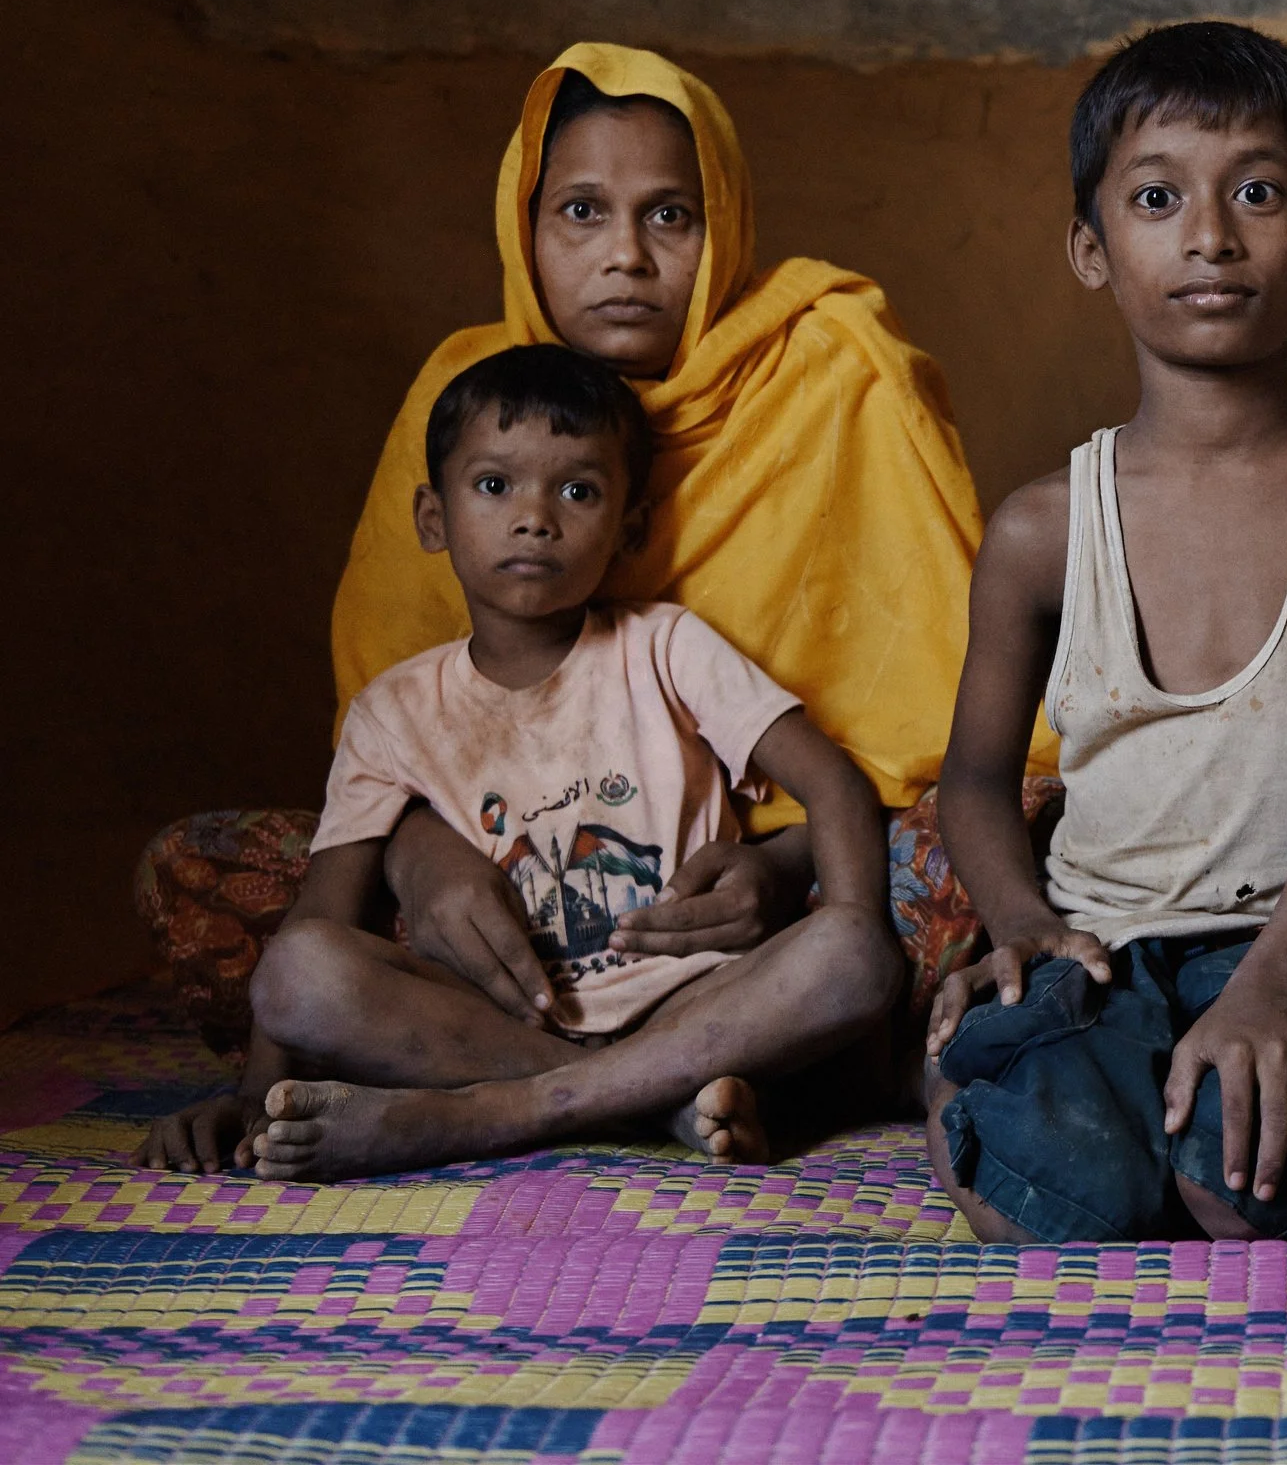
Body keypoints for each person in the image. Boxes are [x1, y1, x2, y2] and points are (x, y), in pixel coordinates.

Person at [139, 44, 1042, 1172]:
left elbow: (921, 744)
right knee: (207, 871)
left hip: (761, 886)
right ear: (524, 228)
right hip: (496, 885)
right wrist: (421, 852)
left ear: (725, 221)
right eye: (579, 211)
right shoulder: (464, 385)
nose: (625, 254)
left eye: (671, 214)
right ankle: (671, 1086)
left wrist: (777, 871)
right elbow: (383, 729)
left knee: (1005, 846)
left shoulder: (827, 363)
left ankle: (492, 1093)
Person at [921, 22, 1287, 1243]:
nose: (1210, 234)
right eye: (1157, 196)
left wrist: (1277, 982)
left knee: (1253, 1194)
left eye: (1257, 192)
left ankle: (1187, 1083)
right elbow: (972, 778)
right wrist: (1018, 927)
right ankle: (960, 1068)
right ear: (1090, 246)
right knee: (1078, 1201)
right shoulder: (1041, 527)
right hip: (1095, 948)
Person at [230, 345, 901, 1179]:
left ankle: (482, 1116)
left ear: (630, 526)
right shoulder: (391, 710)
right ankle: (655, 1100)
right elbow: (321, 917)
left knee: (853, 953)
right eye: (494, 485)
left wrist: (850, 935)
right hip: (505, 1024)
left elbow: (832, 782)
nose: (535, 517)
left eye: (577, 491)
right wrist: (257, 1099)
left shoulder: (665, 647)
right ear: (432, 519)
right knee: (297, 974)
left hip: (693, 1001)